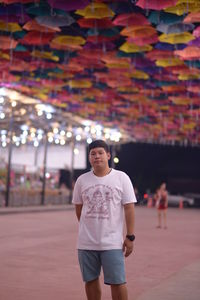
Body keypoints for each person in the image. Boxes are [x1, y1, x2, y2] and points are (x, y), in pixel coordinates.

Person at [72, 139, 137, 300]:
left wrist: (130, 236)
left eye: (100, 153)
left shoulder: (121, 178)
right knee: (91, 281)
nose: (97, 156)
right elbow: (79, 209)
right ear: (89, 158)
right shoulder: (82, 180)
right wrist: (89, 227)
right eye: (93, 154)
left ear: (108, 155)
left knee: (118, 282)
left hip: (112, 243)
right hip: (86, 243)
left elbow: (129, 208)